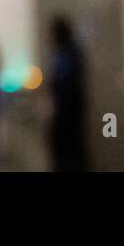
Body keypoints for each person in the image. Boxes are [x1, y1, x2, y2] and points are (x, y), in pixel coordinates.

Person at [47, 16, 88, 171]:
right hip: (69, 107)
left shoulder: (66, 52)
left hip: (67, 108)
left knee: (68, 148)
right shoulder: (68, 51)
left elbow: (63, 80)